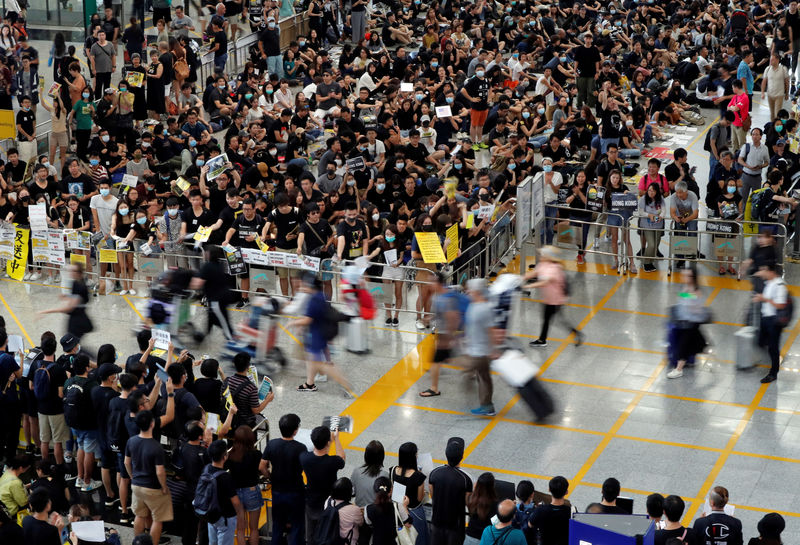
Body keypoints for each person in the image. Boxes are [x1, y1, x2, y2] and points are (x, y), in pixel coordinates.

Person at [290, 273, 352, 394]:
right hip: (320, 333)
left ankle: (346, 384)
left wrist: (292, 323)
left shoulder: (313, 300)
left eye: (302, 283)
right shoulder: (321, 295)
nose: (300, 285)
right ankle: (310, 384)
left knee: (320, 365)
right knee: (311, 361)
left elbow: (308, 319)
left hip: (317, 337)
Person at [124, 407, 174, 544]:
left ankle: (138, 542)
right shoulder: (156, 446)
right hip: (153, 487)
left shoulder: (131, 441)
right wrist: (164, 486)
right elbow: (159, 471)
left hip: (136, 485)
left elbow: (126, 462)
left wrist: (132, 476)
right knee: (158, 519)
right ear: (152, 424)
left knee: (139, 516)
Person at [259, 413, 306, 545]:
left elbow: (262, 466)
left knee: (277, 525)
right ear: (295, 431)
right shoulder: (300, 448)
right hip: (296, 491)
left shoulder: (272, 445)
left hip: (278, 491)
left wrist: (270, 476)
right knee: (297, 525)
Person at [526, 246, 583, 348]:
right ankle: (574, 333)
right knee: (550, 319)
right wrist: (519, 278)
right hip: (548, 299)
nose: (540, 256)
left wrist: (528, 286)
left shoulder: (555, 268)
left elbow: (545, 282)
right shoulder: (542, 265)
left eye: (542, 255)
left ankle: (543, 339)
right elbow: (533, 273)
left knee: (552, 319)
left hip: (556, 300)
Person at [302, 426, 346, 545]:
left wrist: (327, 442)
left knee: (311, 534)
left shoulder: (305, 458)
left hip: (311, 501)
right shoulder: (333, 462)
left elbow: (318, 452)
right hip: (328, 504)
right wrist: (336, 439)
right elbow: (341, 457)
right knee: (327, 534)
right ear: (328, 442)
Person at [461, 278, 496, 416]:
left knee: (478, 375)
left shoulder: (484, 308)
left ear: (477, 291)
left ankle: (487, 405)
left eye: (470, 290)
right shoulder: (474, 305)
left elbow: (491, 330)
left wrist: (493, 349)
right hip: (475, 349)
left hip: (481, 351)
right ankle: (487, 405)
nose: (468, 291)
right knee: (484, 377)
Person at [667, 267, 710, 379]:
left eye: (687, 276)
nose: (684, 278)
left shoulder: (697, 291)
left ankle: (678, 369)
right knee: (697, 343)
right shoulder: (685, 288)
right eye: (683, 275)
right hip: (684, 322)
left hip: (691, 323)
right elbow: (681, 298)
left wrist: (690, 302)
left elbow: (698, 308)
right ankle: (708, 352)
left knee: (683, 346)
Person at [429, 437, 473, 545]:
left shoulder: (434, 473)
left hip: (436, 522)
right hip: (455, 526)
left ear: (446, 454)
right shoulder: (466, 479)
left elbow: (432, 495)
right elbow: (468, 503)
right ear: (462, 456)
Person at [226, 426, 263, 545]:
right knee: (254, 528)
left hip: (235, 493)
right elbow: (261, 469)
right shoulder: (256, 454)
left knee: (240, 529)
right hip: (251, 490)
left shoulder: (230, 455)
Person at [754, 263, 789, 383]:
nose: (762, 272)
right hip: (765, 318)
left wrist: (764, 299)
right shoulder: (768, 282)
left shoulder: (779, 285)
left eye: (764, 270)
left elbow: (780, 305)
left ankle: (773, 373)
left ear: (771, 272)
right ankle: (769, 358)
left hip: (774, 321)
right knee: (759, 342)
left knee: (773, 348)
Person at [37, 264, 93, 339]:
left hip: (78, 321)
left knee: (72, 343)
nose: (70, 272)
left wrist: (46, 311)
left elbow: (70, 308)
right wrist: (67, 297)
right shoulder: (75, 283)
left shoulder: (81, 286)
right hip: (75, 318)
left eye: (73, 271)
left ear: (79, 273)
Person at [205, 439, 244, 545]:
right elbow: (235, 501)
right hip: (225, 517)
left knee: (212, 542)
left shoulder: (206, 470)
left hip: (211, 514)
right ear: (225, 456)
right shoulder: (225, 477)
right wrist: (240, 512)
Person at [528, 476, 571, 545]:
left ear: (549, 490)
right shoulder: (570, 512)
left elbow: (530, 525)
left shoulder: (540, 510)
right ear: (566, 492)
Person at [350, 440, 388, 507]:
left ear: (366, 455)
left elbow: (352, 491)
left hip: (359, 509)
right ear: (382, 457)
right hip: (375, 512)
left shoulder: (356, 471)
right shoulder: (384, 475)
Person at [325, 478, 363, 545]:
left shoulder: (328, 501)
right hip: (346, 542)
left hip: (329, 539)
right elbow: (361, 523)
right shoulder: (354, 509)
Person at [465, 473, 497, 545]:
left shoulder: (471, 499)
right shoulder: (495, 505)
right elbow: (496, 524)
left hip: (470, 537)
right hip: (484, 540)